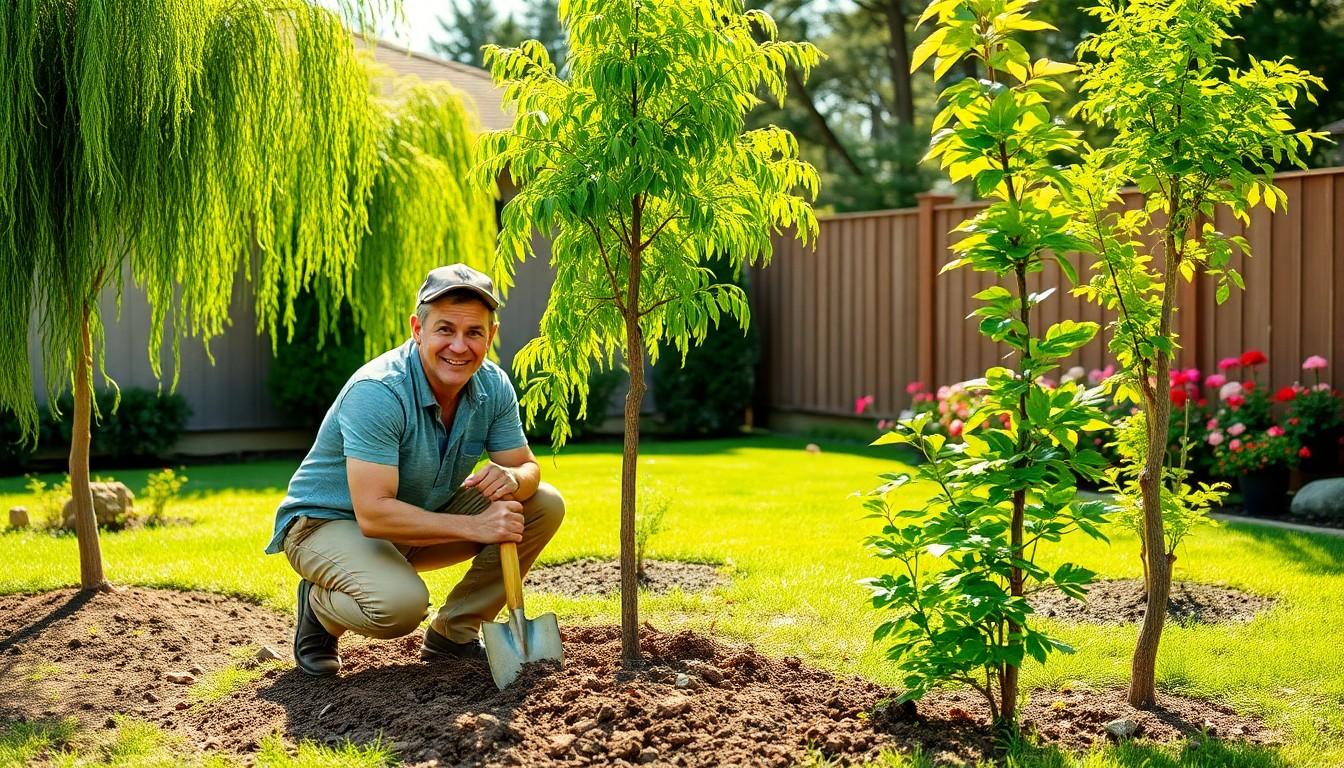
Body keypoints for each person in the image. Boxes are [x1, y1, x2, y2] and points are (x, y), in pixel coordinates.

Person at [264, 264, 565, 676]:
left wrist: (514, 479)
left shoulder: (492, 386)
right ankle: (320, 610)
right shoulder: (379, 392)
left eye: (474, 332)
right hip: (328, 525)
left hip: (412, 523)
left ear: (490, 336)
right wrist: (476, 528)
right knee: (399, 606)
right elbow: (373, 514)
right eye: (445, 329)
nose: (459, 346)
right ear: (417, 329)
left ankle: (454, 633)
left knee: (543, 503)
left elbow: (527, 466)